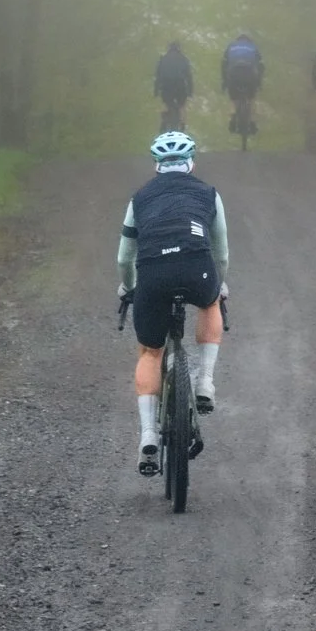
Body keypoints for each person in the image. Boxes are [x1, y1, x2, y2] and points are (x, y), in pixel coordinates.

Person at [117, 132, 229, 475]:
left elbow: (124, 258)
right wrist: (218, 284)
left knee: (150, 352)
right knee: (210, 303)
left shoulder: (140, 198)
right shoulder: (208, 193)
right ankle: (205, 382)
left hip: (153, 273)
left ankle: (148, 434)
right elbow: (221, 251)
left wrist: (127, 287)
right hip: (196, 268)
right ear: (191, 162)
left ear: (156, 165)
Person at [221, 33, 264, 130]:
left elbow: (224, 64)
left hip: (234, 73)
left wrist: (224, 82)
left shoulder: (231, 46)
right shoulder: (253, 47)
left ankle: (233, 114)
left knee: (233, 97)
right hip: (249, 74)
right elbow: (261, 65)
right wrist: (259, 82)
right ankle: (252, 121)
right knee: (252, 98)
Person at [154, 41, 193, 116]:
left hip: (166, 87)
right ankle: (182, 124)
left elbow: (158, 77)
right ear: (179, 49)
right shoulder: (184, 59)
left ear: (169, 49)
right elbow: (189, 77)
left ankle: (166, 121)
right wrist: (190, 92)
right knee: (182, 107)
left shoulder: (163, 59)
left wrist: (156, 92)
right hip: (180, 87)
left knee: (168, 105)